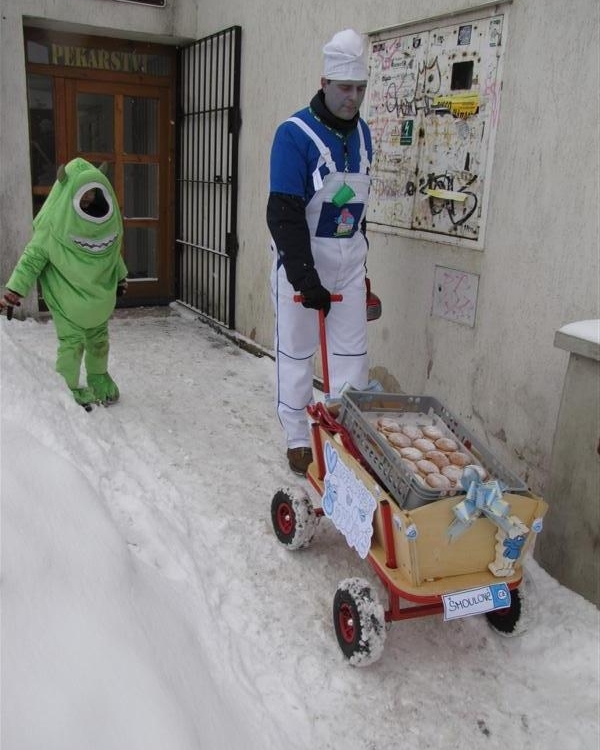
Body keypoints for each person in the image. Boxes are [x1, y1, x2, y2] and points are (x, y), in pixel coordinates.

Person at [267, 29, 374, 475]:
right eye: (345, 88)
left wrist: (362, 267)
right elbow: (283, 214)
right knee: (297, 354)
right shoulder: (294, 135)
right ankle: (297, 436)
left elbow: (359, 212)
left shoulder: (364, 135)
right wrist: (304, 277)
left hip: (348, 268)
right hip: (302, 267)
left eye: (360, 89)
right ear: (324, 82)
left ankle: (345, 439)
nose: (353, 98)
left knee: (352, 360)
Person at [0, 157, 128, 408]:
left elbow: (112, 255)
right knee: (72, 345)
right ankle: (68, 387)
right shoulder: (53, 228)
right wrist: (14, 290)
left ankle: (99, 378)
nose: (88, 200)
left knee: (99, 342)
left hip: (99, 302)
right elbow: (31, 261)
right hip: (68, 302)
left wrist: (121, 276)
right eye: (83, 196)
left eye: (93, 194)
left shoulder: (107, 228)